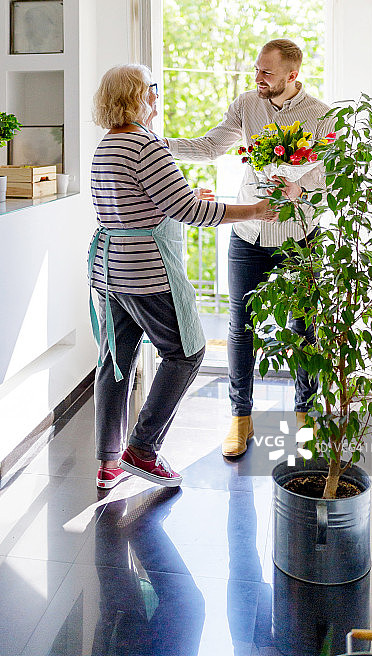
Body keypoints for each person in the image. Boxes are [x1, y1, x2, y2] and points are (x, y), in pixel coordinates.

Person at [88, 64, 276, 491]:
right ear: (138, 96)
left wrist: (188, 197)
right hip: (148, 275)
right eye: (152, 88)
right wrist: (255, 210)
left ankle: (108, 462)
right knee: (186, 354)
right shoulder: (146, 146)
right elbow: (190, 212)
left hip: (111, 272)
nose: (157, 95)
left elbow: (137, 204)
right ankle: (143, 449)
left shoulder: (107, 144)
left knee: (115, 361)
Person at [165, 38, 333, 458]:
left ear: (292, 75)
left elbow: (331, 175)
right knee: (240, 328)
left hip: (299, 237)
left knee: (303, 328)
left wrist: (300, 186)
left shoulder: (321, 115)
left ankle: (305, 417)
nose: (257, 77)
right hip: (248, 236)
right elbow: (210, 146)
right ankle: (241, 418)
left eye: (266, 72)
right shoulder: (246, 105)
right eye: (257, 69)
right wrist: (158, 144)